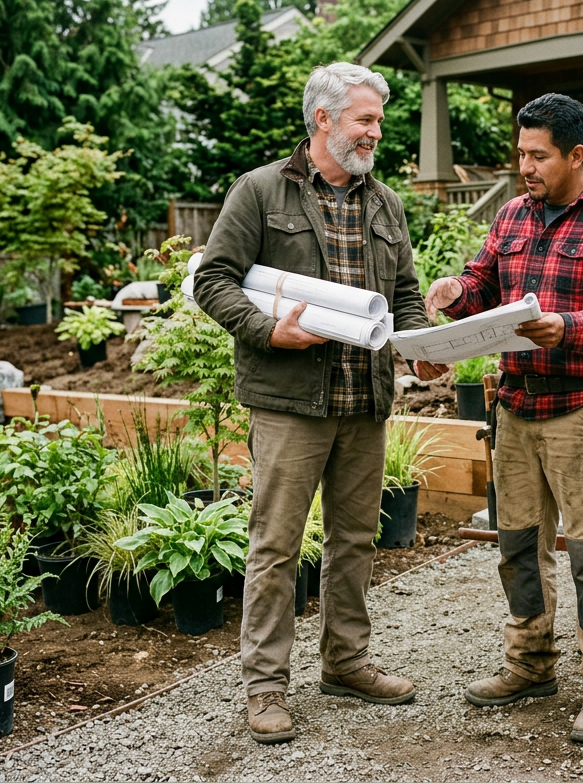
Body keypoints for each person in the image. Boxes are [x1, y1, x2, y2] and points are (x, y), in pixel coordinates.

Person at [193, 62, 447, 744]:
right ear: (323, 120)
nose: (376, 131)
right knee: (276, 545)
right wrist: (264, 329)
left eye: (378, 120)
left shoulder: (385, 202)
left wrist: (420, 342)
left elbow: (403, 296)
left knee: (355, 540)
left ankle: (346, 661)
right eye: (365, 119)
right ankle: (265, 687)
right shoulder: (259, 193)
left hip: (364, 400)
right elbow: (213, 280)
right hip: (288, 402)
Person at [425, 93, 583, 743]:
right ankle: (530, 665)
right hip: (516, 409)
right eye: (520, 152)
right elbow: (484, 280)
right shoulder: (511, 215)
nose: (524, 165)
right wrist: (456, 293)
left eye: (538, 155)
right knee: (519, 549)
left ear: (576, 156)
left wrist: (569, 328)